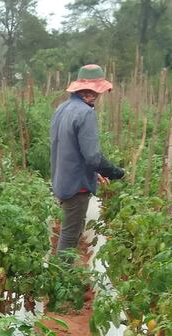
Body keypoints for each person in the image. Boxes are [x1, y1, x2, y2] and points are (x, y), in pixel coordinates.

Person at [50, 64, 125, 255]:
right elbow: (92, 157)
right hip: (77, 185)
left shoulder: (62, 108)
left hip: (62, 179)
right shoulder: (85, 113)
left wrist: (95, 171)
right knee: (70, 235)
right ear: (89, 93)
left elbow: (70, 148)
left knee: (71, 231)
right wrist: (115, 172)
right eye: (97, 93)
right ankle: (61, 277)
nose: (98, 98)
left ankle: (63, 275)